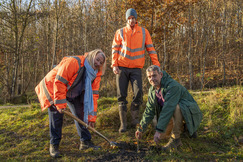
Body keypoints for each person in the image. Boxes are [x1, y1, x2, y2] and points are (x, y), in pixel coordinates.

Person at [35, 49, 106, 157]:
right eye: (97, 59)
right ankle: (54, 145)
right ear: (92, 56)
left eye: (101, 63)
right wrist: (60, 104)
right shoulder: (74, 62)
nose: (98, 63)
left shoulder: (95, 74)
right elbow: (60, 82)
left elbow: (93, 96)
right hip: (54, 86)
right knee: (57, 116)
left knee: (81, 114)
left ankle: (85, 142)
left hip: (72, 91)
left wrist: (91, 118)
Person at [112, 8, 160, 133]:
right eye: (129, 18)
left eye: (133, 18)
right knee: (121, 95)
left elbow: (151, 49)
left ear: (136, 19)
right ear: (126, 19)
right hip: (122, 67)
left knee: (138, 93)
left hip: (136, 69)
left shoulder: (144, 32)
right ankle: (123, 124)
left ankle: (135, 120)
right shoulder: (120, 32)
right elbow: (115, 49)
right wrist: (114, 65)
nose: (131, 20)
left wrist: (156, 65)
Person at [135, 65, 203, 152]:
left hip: (189, 113)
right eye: (149, 77)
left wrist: (158, 131)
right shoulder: (152, 90)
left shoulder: (172, 86)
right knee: (162, 137)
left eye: (154, 75)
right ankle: (183, 129)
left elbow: (168, 109)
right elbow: (149, 111)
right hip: (171, 114)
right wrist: (140, 129)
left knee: (176, 107)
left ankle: (176, 139)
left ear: (161, 74)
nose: (152, 79)